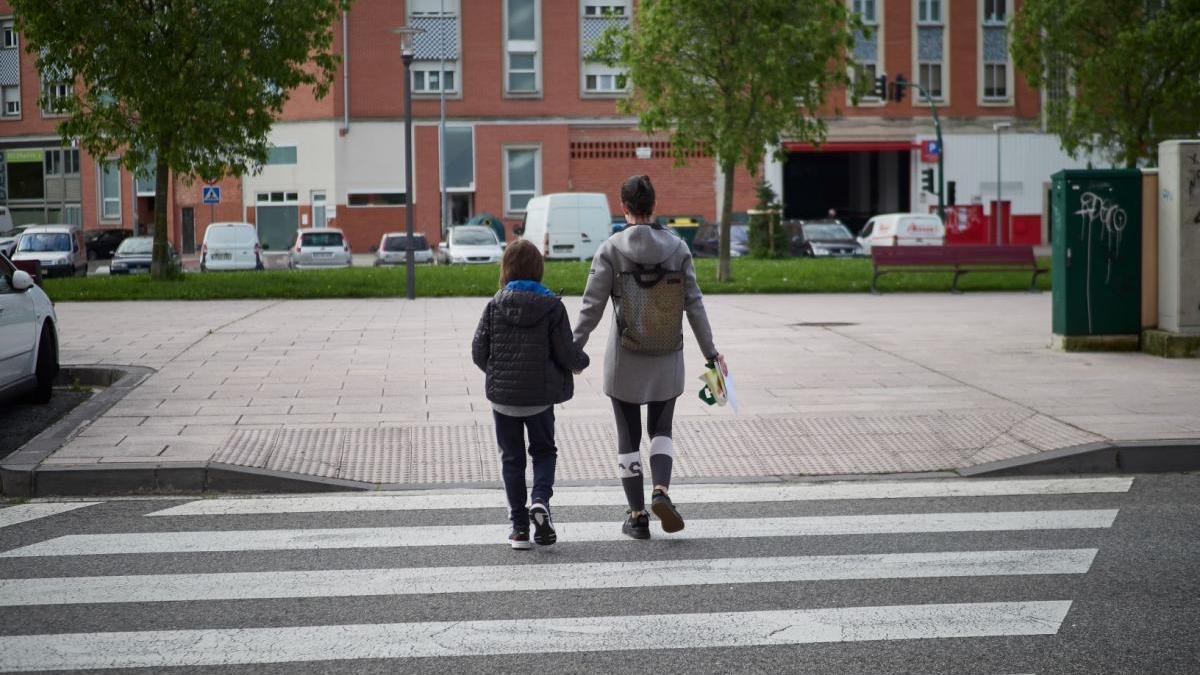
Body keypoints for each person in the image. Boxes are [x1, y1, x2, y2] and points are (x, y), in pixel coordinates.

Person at [573, 174, 728, 539]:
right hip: (667, 354)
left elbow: (591, 308)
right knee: (661, 429)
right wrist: (711, 353)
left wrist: (570, 349)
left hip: (624, 357)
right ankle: (661, 490)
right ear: (654, 206)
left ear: (623, 207)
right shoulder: (678, 248)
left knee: (628, 435)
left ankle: (638, 516)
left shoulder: (609, 250)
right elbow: (694, 305)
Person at [472, 239, 589, 549]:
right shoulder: (552, 306)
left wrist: (500, 374)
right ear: (538, 268)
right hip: (540, 399)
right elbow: (566, 352)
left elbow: (478, 351)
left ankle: (520, 529)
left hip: (504, 401)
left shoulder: (495, 304)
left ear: (506, 269)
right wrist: (581, 363)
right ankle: (540, 501)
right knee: (544, 451)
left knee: (512, 459)